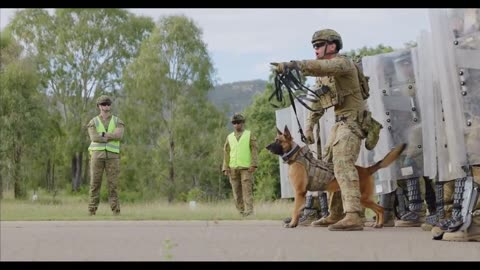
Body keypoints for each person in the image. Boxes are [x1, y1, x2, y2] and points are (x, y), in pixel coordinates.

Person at [272, 29, 377, 231]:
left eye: (319, 45)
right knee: (329, 168)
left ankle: (354, 214)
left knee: (343, 164)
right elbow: (319, 102)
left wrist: (294, 66)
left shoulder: (343, 63)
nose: (316, 49)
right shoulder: (326, 75)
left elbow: (321, 67)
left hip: (353, 122)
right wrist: (310, 126)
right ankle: (336, 213)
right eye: (314, 46)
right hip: (339, 124)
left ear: (332, 45)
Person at [87, 95, 124, 216]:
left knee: (113, 185)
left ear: (111, 106)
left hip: (113, 157)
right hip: (97, 156)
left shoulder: (118, 121)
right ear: (98, 106)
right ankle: (92, 211)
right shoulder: (93, 122)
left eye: (108, 104)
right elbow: (94, 137)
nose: (106, 106)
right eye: (103, 104)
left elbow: (119, 136)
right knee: (94, 184)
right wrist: (109, 136)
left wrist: (102, 135)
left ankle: (116, 212)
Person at [222, 113, 258, 217]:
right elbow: (226, 152)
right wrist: (225, 167)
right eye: (234, 123)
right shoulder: (229, 137)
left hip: (246, 168)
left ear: (243, 123)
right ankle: (241, 212)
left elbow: (254, 150)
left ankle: (249, 212)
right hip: (233, 169)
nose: (236, 125)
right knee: (236, 193)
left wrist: (254, 164)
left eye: (238, 122)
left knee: (247, 191)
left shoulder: (249, 134)